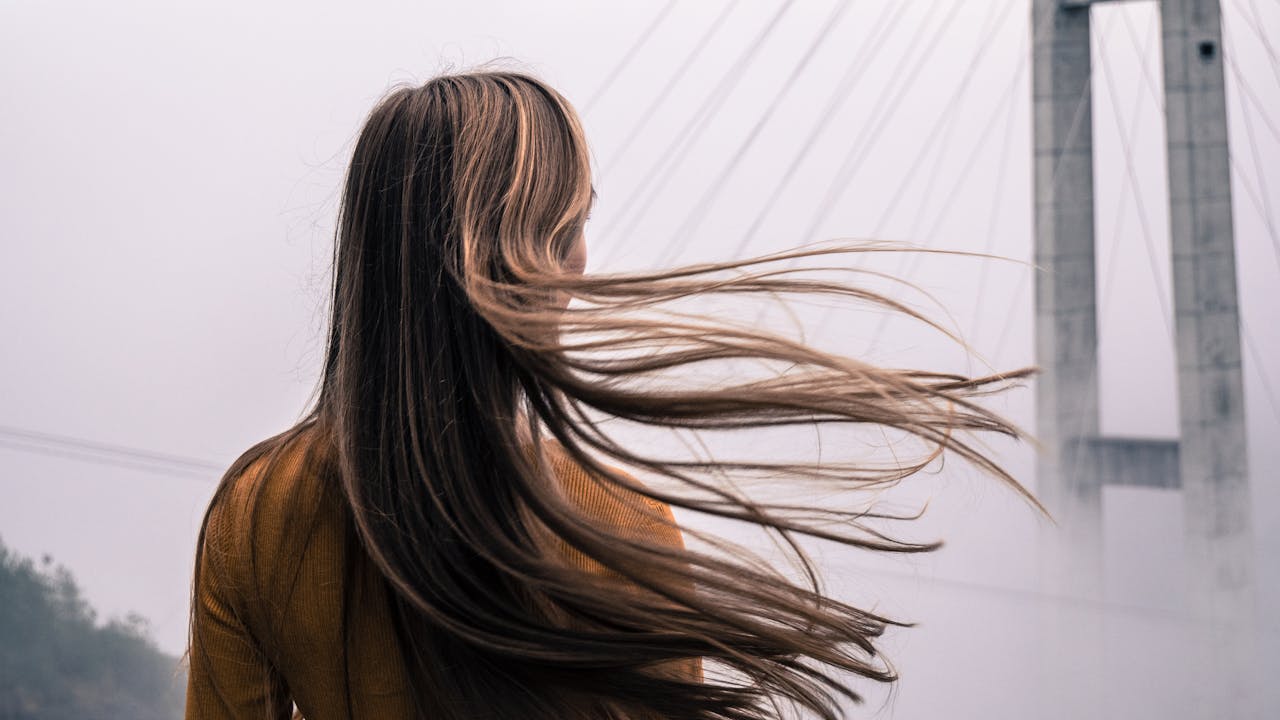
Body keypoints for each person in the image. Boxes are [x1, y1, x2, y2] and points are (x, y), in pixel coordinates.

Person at [185, 68, 1037, 720]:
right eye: (572, 222)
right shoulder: (621, 525)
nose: (583, 259)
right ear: (519, 253)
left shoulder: (256, 511)